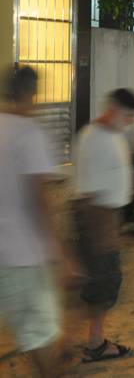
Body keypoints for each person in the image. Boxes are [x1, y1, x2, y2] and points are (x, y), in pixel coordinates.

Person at [0, 66, 69, 377]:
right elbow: (38, 201)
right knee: (39, 339)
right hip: (23, 254)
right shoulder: (29, 133)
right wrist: (61, 254)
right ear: (32, 92)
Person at [73, 87, 134, 364]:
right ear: (114, 109)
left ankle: (93, 339)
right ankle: (94, 343)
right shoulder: (95, 137)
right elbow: (88, 190)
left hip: (106, 216)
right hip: (98, 216)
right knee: (104, 281)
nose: (130, 121)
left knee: (102, 281)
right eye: (128, 116)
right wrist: (101, 233)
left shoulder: (108, 134)